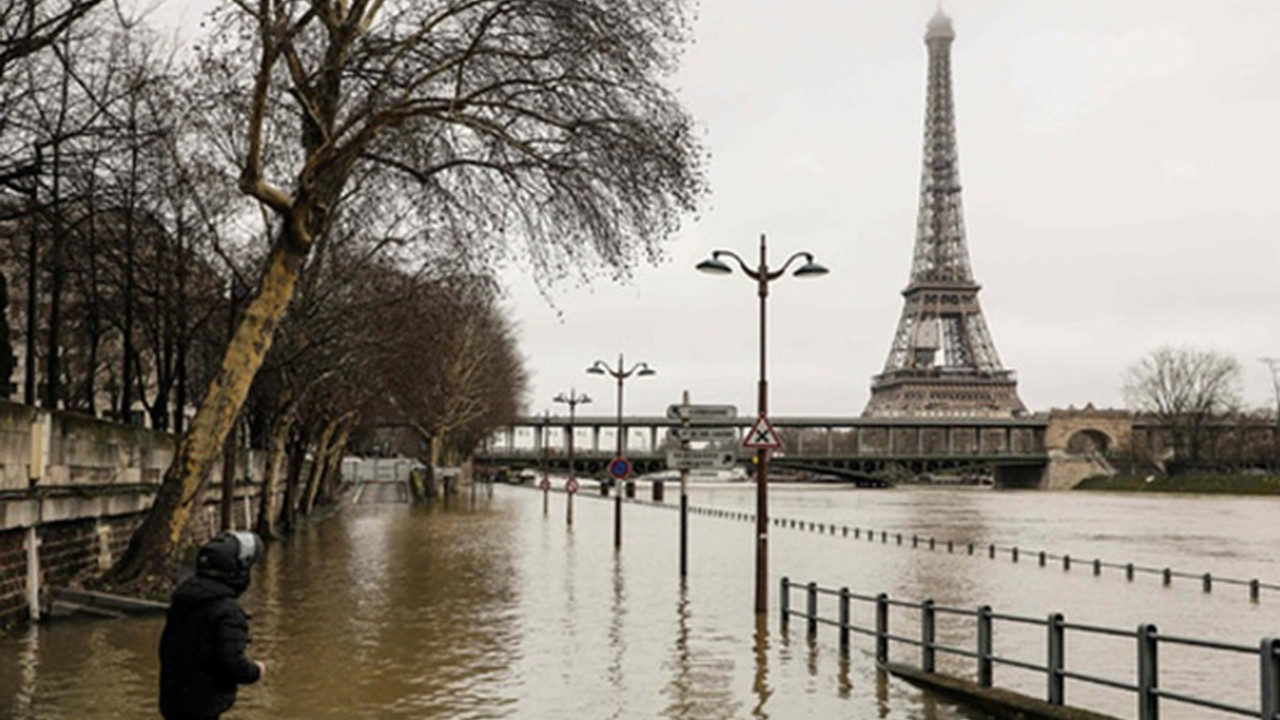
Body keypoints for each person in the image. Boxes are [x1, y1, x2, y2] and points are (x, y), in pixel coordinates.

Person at [159, 531, 266, 720]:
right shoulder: (228, 611)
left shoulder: (182, 601)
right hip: (204, 706)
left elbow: (167, 648)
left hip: (174, 702)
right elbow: (232, 662)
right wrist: (256, 670)